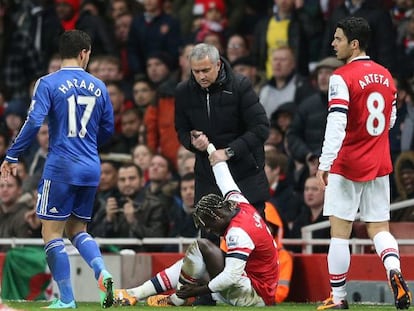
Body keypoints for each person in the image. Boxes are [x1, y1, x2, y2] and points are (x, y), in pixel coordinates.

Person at [0, 30, 115, 309]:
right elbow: (109, 128)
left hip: (61, 167)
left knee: (51, 233)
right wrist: (87, 146)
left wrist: (12, 155)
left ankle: (66, 299)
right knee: (78, 229)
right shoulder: (99, 86)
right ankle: (101, 270)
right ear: (84, 53)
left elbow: (34, 121)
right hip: (90, 167)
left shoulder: (48, 83)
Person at [316, 17, 412, 310]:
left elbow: (337, 121)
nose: (333, 43)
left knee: (340, 234)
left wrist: (325, 162)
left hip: (347, 164)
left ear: (353, 43)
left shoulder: (341, 77)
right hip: (379, 161)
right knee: (379, 227)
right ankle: (394, 270)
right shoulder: (386, 76)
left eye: (338, 39)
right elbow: (391, 120)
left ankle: (339, 298)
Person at [114, 142, 279, 307]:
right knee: (192, 261)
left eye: (209, 225)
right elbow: (224, 177)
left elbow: (231, 277)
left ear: (218, 216)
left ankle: (178, 299)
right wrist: (210, 149)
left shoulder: (238, 232)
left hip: (255, 297)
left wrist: (196, 291)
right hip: (253, 284)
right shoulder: (237, 202)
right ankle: (134, 294)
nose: (209, 230)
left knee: (201, 246)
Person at [175, 43, 270, 220]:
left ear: (218, 65)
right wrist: (192, 141)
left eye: (205, 70)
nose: (201, 76)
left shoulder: (240, 86)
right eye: (196, 72)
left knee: (250, 238)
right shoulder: (183, 92)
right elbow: (181, 130)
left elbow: (261, 128)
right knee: (210, 242)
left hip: (245, 174)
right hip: (208, 176)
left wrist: (229, 152)